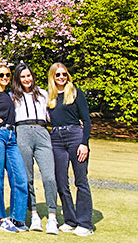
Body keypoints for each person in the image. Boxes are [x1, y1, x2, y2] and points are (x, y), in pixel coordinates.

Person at [9, 62, 59, 234]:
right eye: (22, 76)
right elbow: (3, 114)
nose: (26, 79)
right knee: (27, 177)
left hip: (42, 132)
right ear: (18, 79)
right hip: (22, 132)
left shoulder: (43, 94)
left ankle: (52, 217)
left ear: (33, 76)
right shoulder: (13, 96)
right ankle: (35, 215)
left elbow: (55, 114)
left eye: (28, 75)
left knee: (49, 176)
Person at [47, 63, 94, 236]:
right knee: (60, 181)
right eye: (58, 74)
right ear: (52, 76)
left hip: (75, 136)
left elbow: (87, 121)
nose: (61, 77)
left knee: (80, 180)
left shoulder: (75, 93)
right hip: (56, 138)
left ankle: (84, 223)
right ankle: (70, 219)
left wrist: (84, 143)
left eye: (64, 74)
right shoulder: (50, 97)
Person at [0, 62, 28, 232]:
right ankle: (2, 218)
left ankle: (17, 218)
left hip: (11, 137)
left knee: (20, 178)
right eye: (1, 75)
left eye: (7, 75)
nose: (5, 78)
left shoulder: (9, 94)